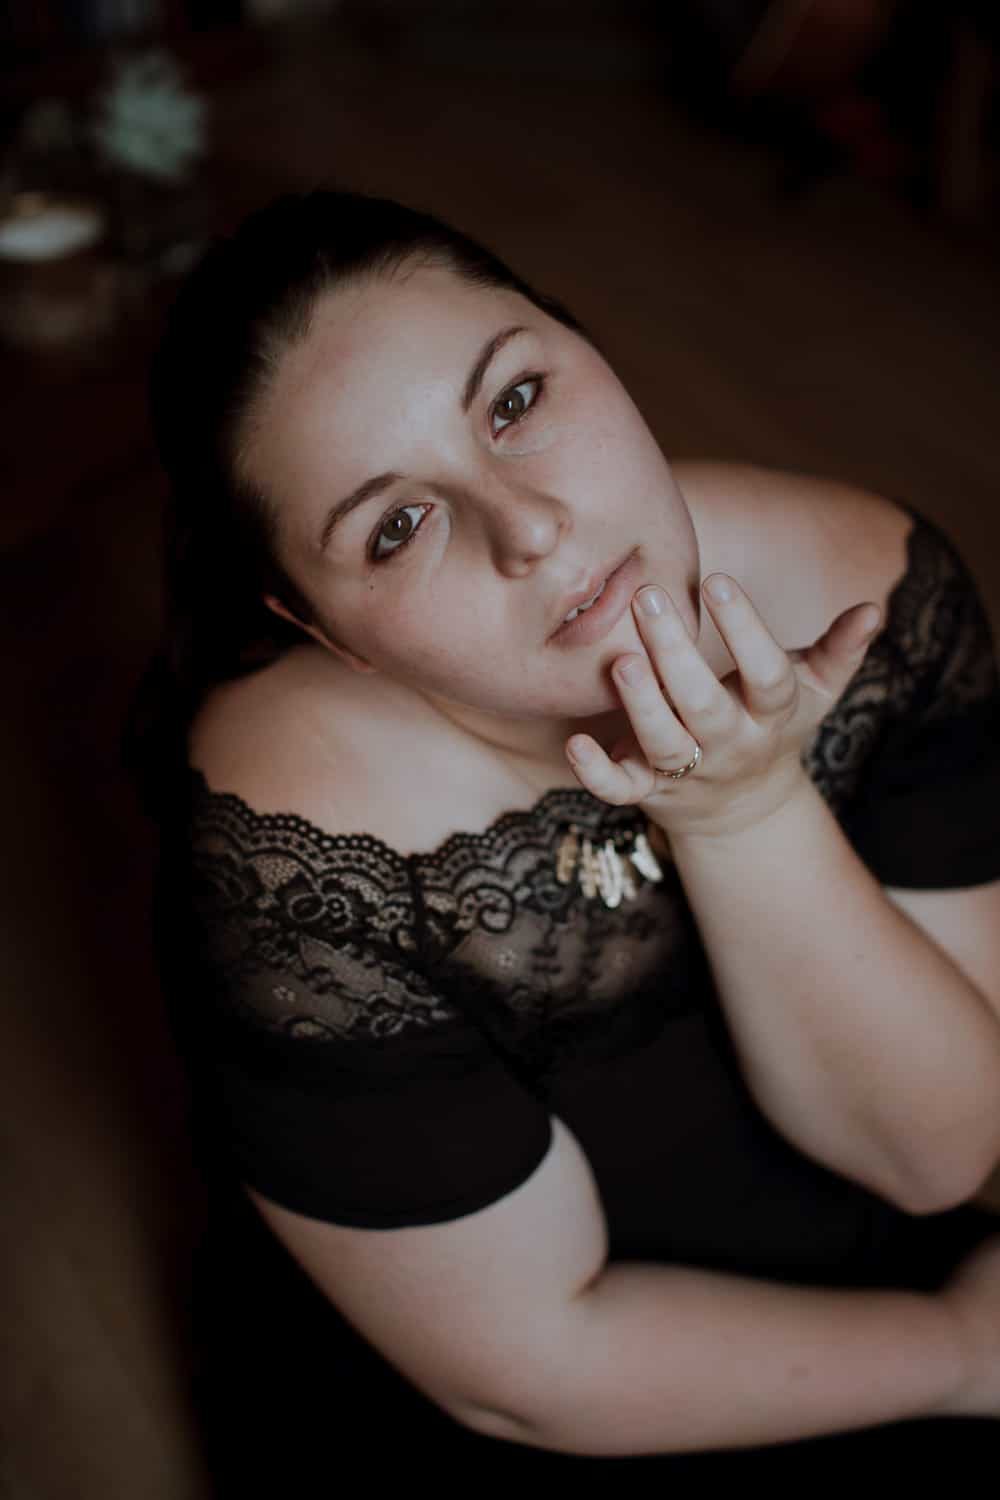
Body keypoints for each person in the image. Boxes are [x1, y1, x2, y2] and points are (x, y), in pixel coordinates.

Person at [124, 188, 1000, 1486]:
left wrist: (746, 808)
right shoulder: (293, 839)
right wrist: (960, 1353)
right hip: (529, 1382)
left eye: (516, 399)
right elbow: (527, 1373)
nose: (531, 527)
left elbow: (934, 1157)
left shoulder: (875, 586)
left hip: (849, 1208)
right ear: (317, 627)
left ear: (586, 341)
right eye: (396, 526)